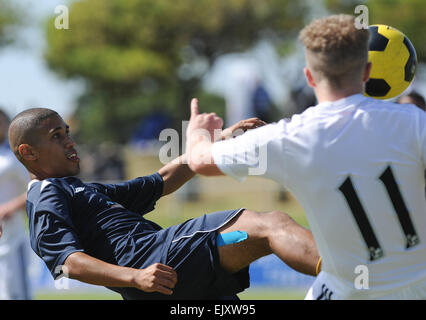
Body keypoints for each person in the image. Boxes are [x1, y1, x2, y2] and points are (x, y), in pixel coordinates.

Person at [185, 14, 426, 300]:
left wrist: (198, 132)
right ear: (367, 72)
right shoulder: (415, 121)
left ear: (310, 76)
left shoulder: (289, 137)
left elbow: (198, 160)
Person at [8, 108, 320, 300]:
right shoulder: (45, 193)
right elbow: (68, 263)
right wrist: (135, 277)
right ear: (29, 152)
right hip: (156, 258)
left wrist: (223, 139)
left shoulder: (83, 191)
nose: (70, 141)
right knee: (268, 225)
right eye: (57, 136)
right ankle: (353, 274)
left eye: (68, 133)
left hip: (165, 277)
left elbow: (163, 180)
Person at [0, 109, 32, 300]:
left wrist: (9, 207)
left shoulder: (14, 157)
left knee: (15, 293)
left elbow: (37, 188)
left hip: (10, 238)